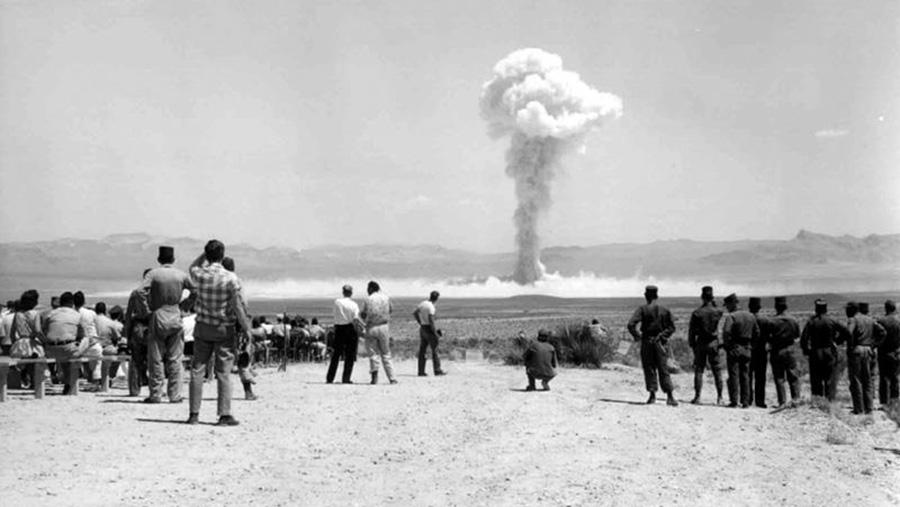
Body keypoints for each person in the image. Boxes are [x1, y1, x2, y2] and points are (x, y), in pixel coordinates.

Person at [187, 240, 251, 426]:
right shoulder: (230, 278)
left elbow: (192, 266)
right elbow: (237, 306)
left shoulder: (199, 274)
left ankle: (194, 414)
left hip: (203, 326)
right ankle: (224, 414)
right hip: (224, 328)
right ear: (223, 255)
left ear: (207, 255)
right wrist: (246, 329)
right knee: (223, 372)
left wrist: (204, 256)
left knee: (197, 370)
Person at [141, 246, 196, 404]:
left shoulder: (153, 274)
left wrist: (146, 309)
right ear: (173, 259)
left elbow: (140, 292)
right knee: (175, 358)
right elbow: (195, 291)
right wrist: (185, 305)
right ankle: (174, 394)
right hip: (175, 314)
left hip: (158, 315)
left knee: (156, 358)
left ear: (159, 260)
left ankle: (156, 393)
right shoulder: (181, 275)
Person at [627, 285, 678, 406]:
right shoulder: (664, 310)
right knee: (663, 369)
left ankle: (652, 395)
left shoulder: (642, 309)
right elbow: (672, 327)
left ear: (646, 296)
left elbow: (630, 324)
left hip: (647, 342)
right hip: (660, 343)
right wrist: (663, 335)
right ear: (657, 296)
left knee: (649, 368)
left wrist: (637, 336)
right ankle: (670, 396)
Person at [222, 256, 257, 400]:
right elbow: (242, 304)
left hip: (221, 323)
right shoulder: (236, 281)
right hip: (237, 324)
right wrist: (246, 326)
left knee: (222, 358)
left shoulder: (218, 281)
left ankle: (223, 393)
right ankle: (248, 391)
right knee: (243, 357)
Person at [800, 299, 849, 401]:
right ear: (826, 309)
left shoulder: (811, 322)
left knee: (816, 380)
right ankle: (830, 402)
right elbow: (846, 332)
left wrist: (807, 351)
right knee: (830, 379)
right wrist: (837, 341)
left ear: (816, 309)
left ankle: (818, 401)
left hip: (815, 352)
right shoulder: (832, 320)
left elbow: (804, 339)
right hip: (829, 351)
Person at [845, 301, 886, 414]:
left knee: (856, 380)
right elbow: (883, 332)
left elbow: (848, 332)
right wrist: (874, 345)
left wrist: (851, 345)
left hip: (857, 351)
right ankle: (869, 408)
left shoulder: (853, 319)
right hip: (868, 350)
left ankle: (858, 408)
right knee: (867, 380)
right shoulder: (870, 319)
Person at [721, 293, 759, 408]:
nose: (726, 307)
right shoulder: (751, 316)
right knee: (745, 375)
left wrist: (728, 346)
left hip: (735, 348)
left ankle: (734, 401)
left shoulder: (731, 317)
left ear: (732, 304)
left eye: (727, 305)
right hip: (747, 348)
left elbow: (726, 332)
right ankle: (746, 401)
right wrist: (751, 345)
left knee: (733, 375)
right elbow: (757, 333)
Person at [42, 292, 85, 394]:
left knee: (65, 358)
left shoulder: (51, 314)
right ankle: (77, 372)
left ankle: (67, 381)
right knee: (86, 341)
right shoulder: (77, 314)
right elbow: (82, 334)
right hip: (67, 349)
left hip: (50, 349)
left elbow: (45, 330)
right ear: (72, 303)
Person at [688, 286, 723, 405]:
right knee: (717, 370)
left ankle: (697, 397)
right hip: (713, 342)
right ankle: (720, 397)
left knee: (699, 370)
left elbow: (692, 332)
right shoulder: (718, 312)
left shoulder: (697, 313)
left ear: (702, 297)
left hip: (701, 343)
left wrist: (692, 345)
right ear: (712, 297)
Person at [360, 281, 397, 385]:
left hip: (371, 326)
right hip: (384, 326)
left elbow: (363, 313)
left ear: (371, 289)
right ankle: (392, 378)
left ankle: (374, 378)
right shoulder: (386, 297)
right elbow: (391, 310)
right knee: (386, 353)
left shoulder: (368, 299)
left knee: (373, 354)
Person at [767, 296, 801, 408]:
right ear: (786, 306)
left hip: (776, 350)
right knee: (793, 376)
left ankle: (782, 402)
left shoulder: (771, 321)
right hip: (790, 349)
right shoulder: (793, 320)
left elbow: (768, 337)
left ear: (776, 307)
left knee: (779, 377)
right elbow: (797, 335)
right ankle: (795, 400)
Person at [124, 269, 153, 396]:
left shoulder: (135, 293)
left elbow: (128, 315)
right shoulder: (156, 294)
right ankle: (155, 389)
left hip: (137, 327)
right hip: (152, 328)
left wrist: (125, 335)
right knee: (154, 359)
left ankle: (134, 389)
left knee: (136, 360)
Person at [326, 284, 363, 384]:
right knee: (350, 355)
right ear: (351, 293)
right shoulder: (354, 305)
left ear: (343, 292)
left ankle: (330, 378)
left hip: (339, 328)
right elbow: (355, 319)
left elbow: (335, 314)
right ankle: (346, 378)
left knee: (336, 354)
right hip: (350, 328)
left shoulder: (337, 302)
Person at [414, 290, 446, 377]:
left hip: (423, 328)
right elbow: (431, 321)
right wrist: (435, 333)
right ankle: (437, 370)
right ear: (437, 298)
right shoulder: (431, 307)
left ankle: (421, 371)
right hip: (429, 329)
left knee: (422, 350)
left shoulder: (423, 303)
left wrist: (420, 322)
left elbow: (415, 313)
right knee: (435, 350)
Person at [746, 297, 770, 408]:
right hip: (761, 351)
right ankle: (760, 401)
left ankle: (748, 399)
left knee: (748, 376)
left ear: (749, 306)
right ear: (759, 307)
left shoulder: (747, 319)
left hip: (749, 350)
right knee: (761, 377)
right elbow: (769, 336)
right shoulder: (765, 320)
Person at [877, 300, 900, 406]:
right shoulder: (898, 321)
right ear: (894, 308)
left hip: (883, 353)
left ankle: (884, 402)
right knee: (894, 377)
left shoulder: (881, 321)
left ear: (885, 308)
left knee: (883, 378)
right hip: (896, 352)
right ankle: (894, 401)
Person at [93, 302, 124, 378]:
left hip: (92, 347)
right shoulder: (110, 322)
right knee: (122, 354)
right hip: (106, 348)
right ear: (104, 310)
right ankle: (110, 376)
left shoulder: (92, 320)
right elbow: (117, 338)